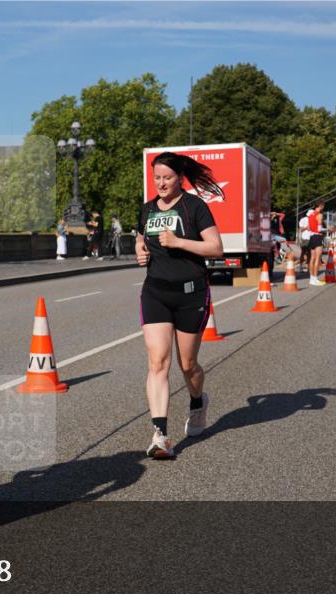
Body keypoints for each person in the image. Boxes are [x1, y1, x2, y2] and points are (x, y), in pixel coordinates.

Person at [135, 152, 224, 459]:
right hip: (156, 292)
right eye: (157, 177)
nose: (161, 183)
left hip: (191, 293)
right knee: (158, 362)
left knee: (188, 366)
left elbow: (216, 247)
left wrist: (179, 242)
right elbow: (140, 236)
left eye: (167, 178)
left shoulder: (194, 207)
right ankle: (160, 435)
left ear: (180, 178)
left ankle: (198, 402)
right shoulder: (147, 209)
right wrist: (140, 249)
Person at [307, 202, 326, 285]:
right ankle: (315, 278)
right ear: (320, 206)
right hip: (318, 237)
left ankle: (312, 278)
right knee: (318, 259)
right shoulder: (320, 215)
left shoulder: (310, 215)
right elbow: (319, 229)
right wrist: (328, 229)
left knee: (312, 258)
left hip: (311, 237)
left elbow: (308, 228)